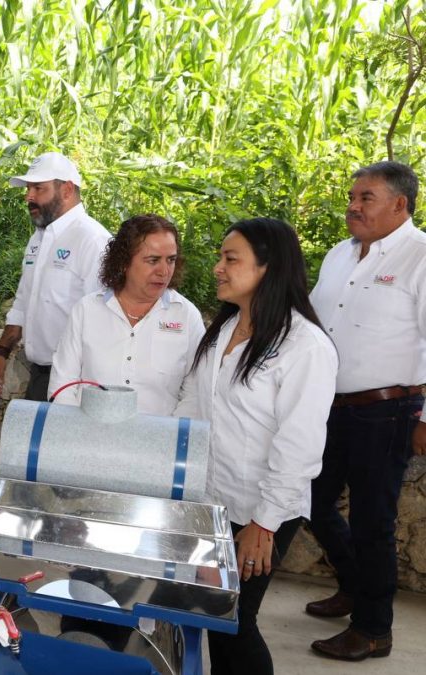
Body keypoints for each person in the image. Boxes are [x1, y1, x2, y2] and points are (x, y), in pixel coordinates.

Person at [175, 218, 337, 675]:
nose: (217, 268)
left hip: (260, 509)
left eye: (231, 259)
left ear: (268, 268)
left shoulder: (304, 346)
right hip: (209, 500)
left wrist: (263, 525)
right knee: (213, 614)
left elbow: (299, 445)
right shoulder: (223, 331)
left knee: (235, 620)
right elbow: (192, 405)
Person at [306, 161, 426, 661]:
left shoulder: (421, 256)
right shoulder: (339, 254)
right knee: (311, 498)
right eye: (353, 196)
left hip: (387, 411)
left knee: (374, 521)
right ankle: (354, 584)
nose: (353, 206)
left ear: (400, 204)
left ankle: (374, 628)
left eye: (366, 198)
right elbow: (310, 319)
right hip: (326, 406)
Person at [48, 214, 204, 413]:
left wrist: (170, 436)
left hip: (158, 440)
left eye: (171, 260)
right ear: (123, 262)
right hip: (88, 438)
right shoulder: (87, 310)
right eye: (153, 260)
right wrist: (79, 434)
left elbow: (195, 392)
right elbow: (62, 384)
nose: (164, 271)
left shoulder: (186, 316)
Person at [0, 152, 111, 400]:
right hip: (40, 376)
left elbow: (103, 318)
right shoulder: (39, 238)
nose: (29, 197)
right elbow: (24, 300)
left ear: (66, 190)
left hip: (76, 382)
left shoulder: (93, 240)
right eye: (28, 189)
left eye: (38, 189)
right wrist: (1, 351)